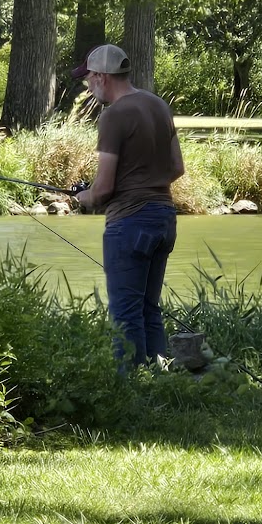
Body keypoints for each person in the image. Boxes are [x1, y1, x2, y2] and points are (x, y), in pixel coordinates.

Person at [73, 42, 184, 366]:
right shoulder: (158, 105)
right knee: (149, 308)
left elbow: (103, 188)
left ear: (101, 77)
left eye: (88, 79)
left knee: (124, 313)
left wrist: (84, 197)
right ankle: (159, 380)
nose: (88, 86)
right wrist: (143, 183)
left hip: (130, 224)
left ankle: (130, 386)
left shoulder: (113, 116)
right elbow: (177, 168)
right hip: (164, 219)